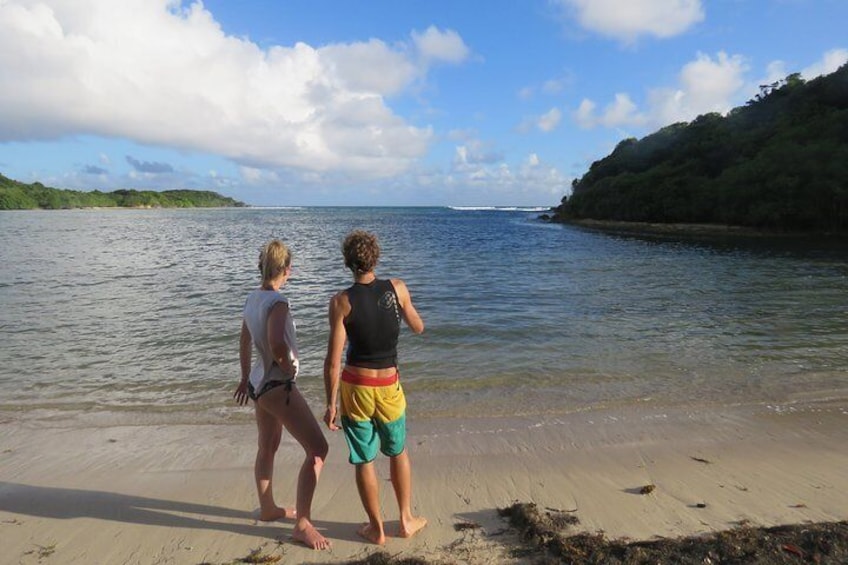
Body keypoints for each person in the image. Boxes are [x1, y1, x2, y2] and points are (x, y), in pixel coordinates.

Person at [323, 230, 428, 545]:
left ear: (348, 263)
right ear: (376, 257)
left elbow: (332, 361)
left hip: (355, 387)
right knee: (397, 451)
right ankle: (405, 520)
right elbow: (419, 327)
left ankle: (376, 528)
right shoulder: (396, 288)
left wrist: (331, 405)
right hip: (388, 385)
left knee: (364, 459)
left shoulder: (341, 301)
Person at [233, 239, 331, 550]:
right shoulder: (278, 302)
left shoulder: (252, 298)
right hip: (277, 385)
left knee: (268, 446)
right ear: (286, 270)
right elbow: (276, 343)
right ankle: (302, 523)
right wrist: (288, 367)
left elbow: (245, 338)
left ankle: (268, 508)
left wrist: (245, 376)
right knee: (317, 449)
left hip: (259, 385)